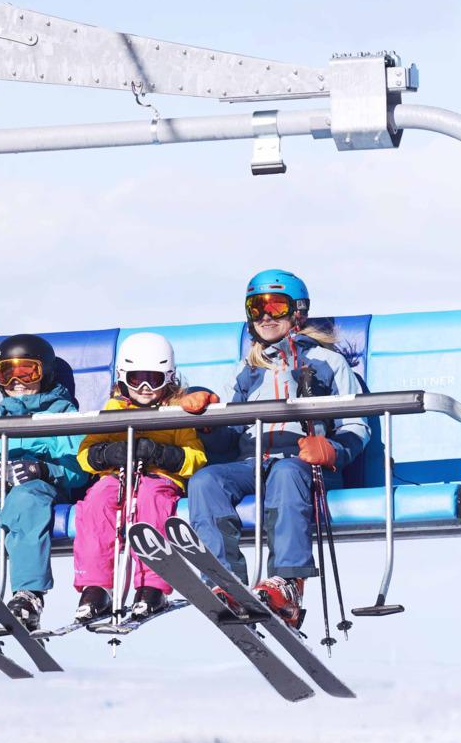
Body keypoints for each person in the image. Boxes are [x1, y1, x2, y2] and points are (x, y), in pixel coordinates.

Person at [185, 269, 369, 627]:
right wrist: (208, 424)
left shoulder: (328, 363)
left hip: (305, 465)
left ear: (298, 311)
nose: (265, 316)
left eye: (275, 306)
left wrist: (332, 450)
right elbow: (228, 436)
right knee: (206, 481)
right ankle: (225, 580)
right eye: (256, 307)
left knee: (285, 473)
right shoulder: (246, 370)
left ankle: (287, 584)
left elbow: (356, 426)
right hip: (251, 464)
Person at [0, 334, 91, 632]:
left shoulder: (63, 415)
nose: (17, 382)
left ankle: (28, 594)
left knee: (24, 501)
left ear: (45, 372)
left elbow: (79, 468)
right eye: (7, 373)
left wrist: (44, 469)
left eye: (27, 372)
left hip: (41, 486)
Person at [70, 332, 219, 624]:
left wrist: (162, 454)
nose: (146, 388)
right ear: (123, 378)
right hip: (117, 478)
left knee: (151, 501)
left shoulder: (176, 410)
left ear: (169, 378)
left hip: (158, 479)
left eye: (154, 379)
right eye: (137, 379)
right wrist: (108, 454)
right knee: (97, 501)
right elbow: (85, 455)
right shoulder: (113, 410)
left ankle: (152, 586)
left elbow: (196, 458)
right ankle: (96, 587)